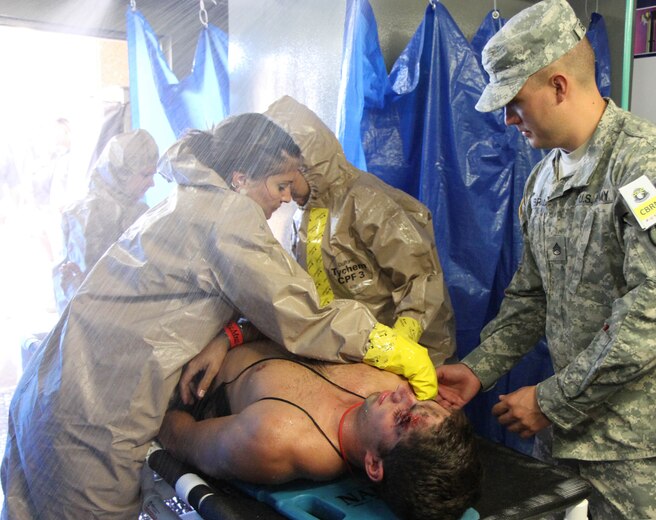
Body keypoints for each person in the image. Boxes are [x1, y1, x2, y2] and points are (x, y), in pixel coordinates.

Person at [1, 113, 437, 520]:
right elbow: (304, 316)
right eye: (281, 185)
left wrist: (227, 336)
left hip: (50, 388)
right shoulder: (228, 219)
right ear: (240, 178)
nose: (287, 198)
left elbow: (235, 301)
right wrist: (397, 349)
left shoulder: (193, 200)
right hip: (91, 419)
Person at [435, 0, 656, 518]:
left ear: (558, 85)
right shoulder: (543, 181)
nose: (507, 119)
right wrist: (479, 370)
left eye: (515, 100)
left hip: (645, 446)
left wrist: (549, 401)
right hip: (572, 433)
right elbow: (532, 295)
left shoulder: (646, 168)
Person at [180, 96, 456, 401]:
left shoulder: (366, 202)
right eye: (279, 182)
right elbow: (293, 302)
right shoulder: (304, 218)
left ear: (307, 161)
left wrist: (399, 349)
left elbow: (421, 282)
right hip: (357, 367)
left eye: (288, 177)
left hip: (405, 372)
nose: (284, 196)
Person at [161, 338, 482, 520]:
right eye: (418, 402)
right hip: (238, 315)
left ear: (373, 464)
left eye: (403, 418)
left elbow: (177, 434)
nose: (403, 394)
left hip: (184, 349)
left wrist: (208, 342)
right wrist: (229, 333)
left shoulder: (278, 438)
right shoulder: (388, 383)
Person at [53, 129, 159, 315]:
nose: (152, 184)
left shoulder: (137, 210)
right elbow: (90, 289)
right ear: (121, 173)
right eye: (145, 175)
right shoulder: (87, 215)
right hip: (95, 323)